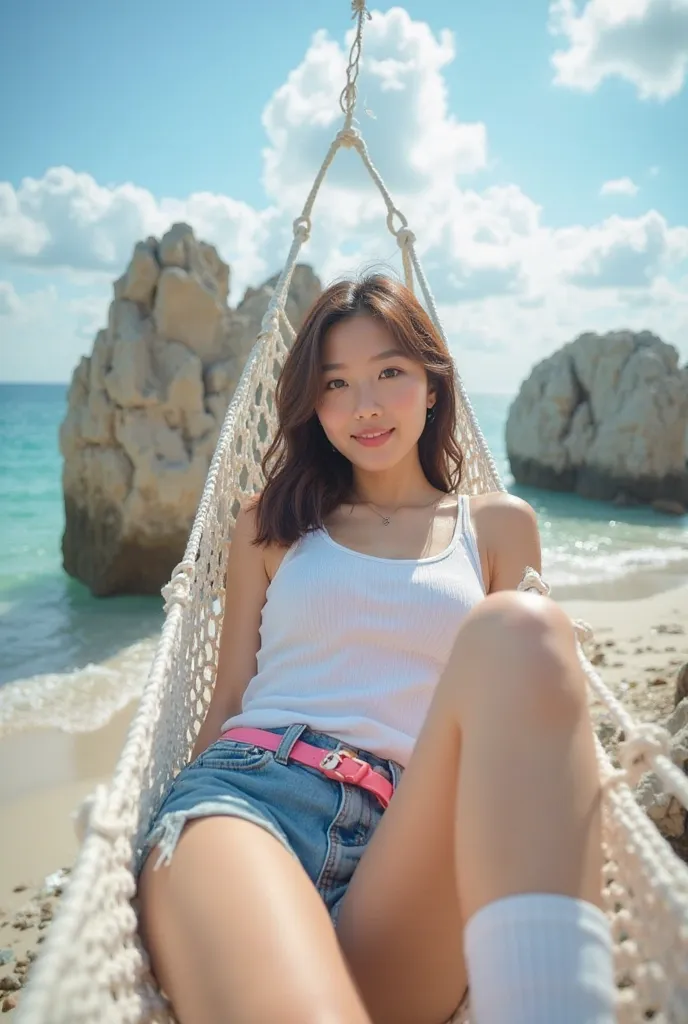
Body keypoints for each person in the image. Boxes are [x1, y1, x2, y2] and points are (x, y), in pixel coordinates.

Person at [136, 275, 615, 1024]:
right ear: (312, 405)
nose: (365, 405)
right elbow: (228, 696)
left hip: (407, 839)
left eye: (389, 372)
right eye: (336, 383)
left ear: (432, 385)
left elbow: (517, 724)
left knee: (525, 629)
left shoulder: (498, 528)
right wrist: (142, 843)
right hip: (251, 799)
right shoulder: (271, 522)